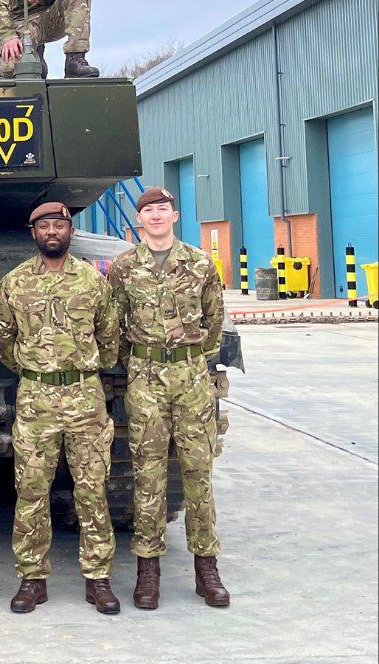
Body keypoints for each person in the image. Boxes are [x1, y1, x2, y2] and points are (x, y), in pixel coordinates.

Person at [0, 201, 121, 616]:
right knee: (31, 489)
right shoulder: (14, 283)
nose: (53, 232)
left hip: (85, 396)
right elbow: (4, 341)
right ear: (34, 232)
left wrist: (81, 370)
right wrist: (36, 372)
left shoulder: (92, 281)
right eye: (45, 225)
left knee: (91, 490)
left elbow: (109, 337)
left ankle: (98, 579)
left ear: (69, 231)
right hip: (36, 397)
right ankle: (32, 579)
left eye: (60, 225)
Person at [108, 187, 230, 610]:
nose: (155, 216)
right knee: (148, 474)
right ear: (139, 220)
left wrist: (190, 356)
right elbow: (113, 322)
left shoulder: (199, 263)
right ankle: (148, 570)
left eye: (162, 209)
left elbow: (214, 320)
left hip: (192, 376)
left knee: (199, 471)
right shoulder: (124, 266)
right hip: (144, 378)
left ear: (174, 215)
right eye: (148, 211)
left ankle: (206, 567)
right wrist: (140, 360)